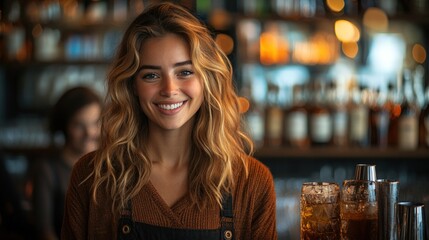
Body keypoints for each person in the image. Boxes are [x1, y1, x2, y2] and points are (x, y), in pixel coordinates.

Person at [61, 2, 277, 239]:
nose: (169, 89)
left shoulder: (252, 183)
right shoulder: (92, 176)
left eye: (184, 72)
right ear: (132, 86)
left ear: (207, 80)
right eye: (151, 75)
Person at [32, 86, 102, 240]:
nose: (89, 133)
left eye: (95, 123)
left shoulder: (111, 163)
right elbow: (44, 231)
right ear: (64, 126)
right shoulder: (47, 169)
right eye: (79, 125)